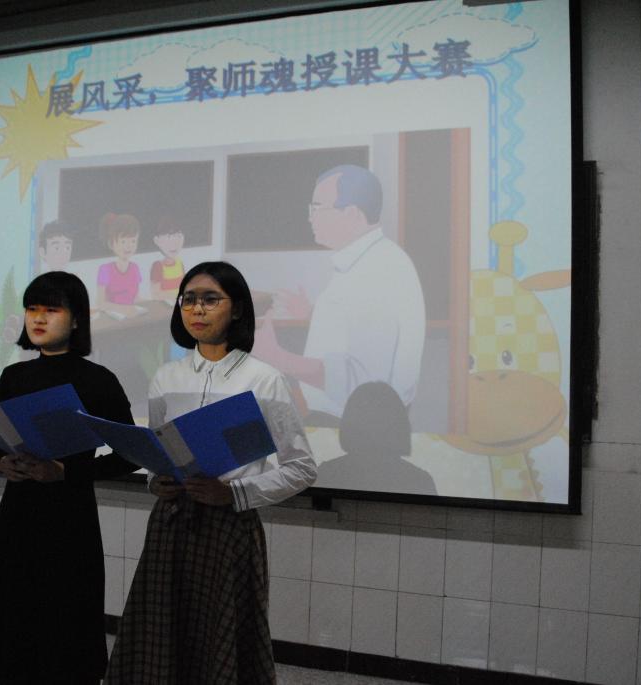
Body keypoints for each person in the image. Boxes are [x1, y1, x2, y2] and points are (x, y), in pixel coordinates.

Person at [105, 261, 317, 685]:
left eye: (210, 299)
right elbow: (159, 453)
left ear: (236, 309)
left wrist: (235, 493)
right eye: (188, 300)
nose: (197, 309)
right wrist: (156, 480)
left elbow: (302, 467)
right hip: (170, 523)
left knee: (221, 639)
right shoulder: (166, 378)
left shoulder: (264, 379)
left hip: (229, 525)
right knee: (161, 635)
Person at [0, 271, 138, 685]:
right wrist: (0, 461)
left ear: (77, 318)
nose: (38, 318)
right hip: (17, 514)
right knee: (12, 615)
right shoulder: (14, 376)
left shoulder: (98, 380)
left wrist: (68, 471)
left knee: (66, 623)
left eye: (51, 309)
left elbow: (131, 453)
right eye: (32, 308)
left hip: (70, 518)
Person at [254, 164, 426, 415]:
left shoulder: (377, 271)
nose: (310, 218)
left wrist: (276, 357)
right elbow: (358, 329)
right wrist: (313, 313)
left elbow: (360, 381)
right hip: (347, 417)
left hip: (353, 425)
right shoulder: (370, 260)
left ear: (352, 214)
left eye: (317, 208)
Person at [96, 212, 142, 314]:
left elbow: (136, 298)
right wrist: (123, 309)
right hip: (113, 317)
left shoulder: (135, 268)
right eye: (123, 242)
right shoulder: (105, 269)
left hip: (133, 315)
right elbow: (100, 303)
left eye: (133, 241)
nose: (128, 246)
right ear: (111, 243)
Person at [148, 215, 185, 303]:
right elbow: (155, 294)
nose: (174, 243)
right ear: (157, 240)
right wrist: (176, 295)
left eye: (178, 236)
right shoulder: (157, 266)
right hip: (165, 307)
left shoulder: (180, 264)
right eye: (168, 237)